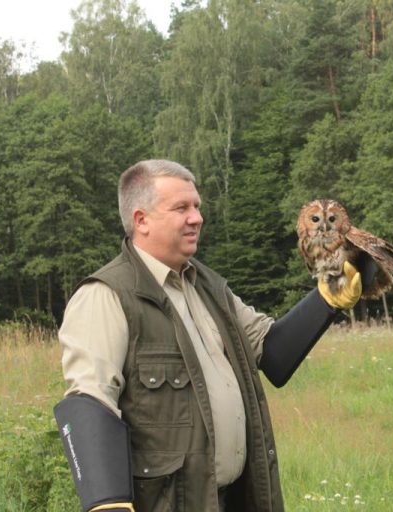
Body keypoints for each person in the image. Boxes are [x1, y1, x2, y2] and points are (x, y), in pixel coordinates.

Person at [54, 159, 363, 512]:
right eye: (181, 208)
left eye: (197, 206)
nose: (197, 217)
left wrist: (326, 300)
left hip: (235, 499)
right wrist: (106, 503)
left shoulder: (209, 286)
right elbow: (89, 401)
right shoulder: (106, 295)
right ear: (141, 221)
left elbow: (272, 352)